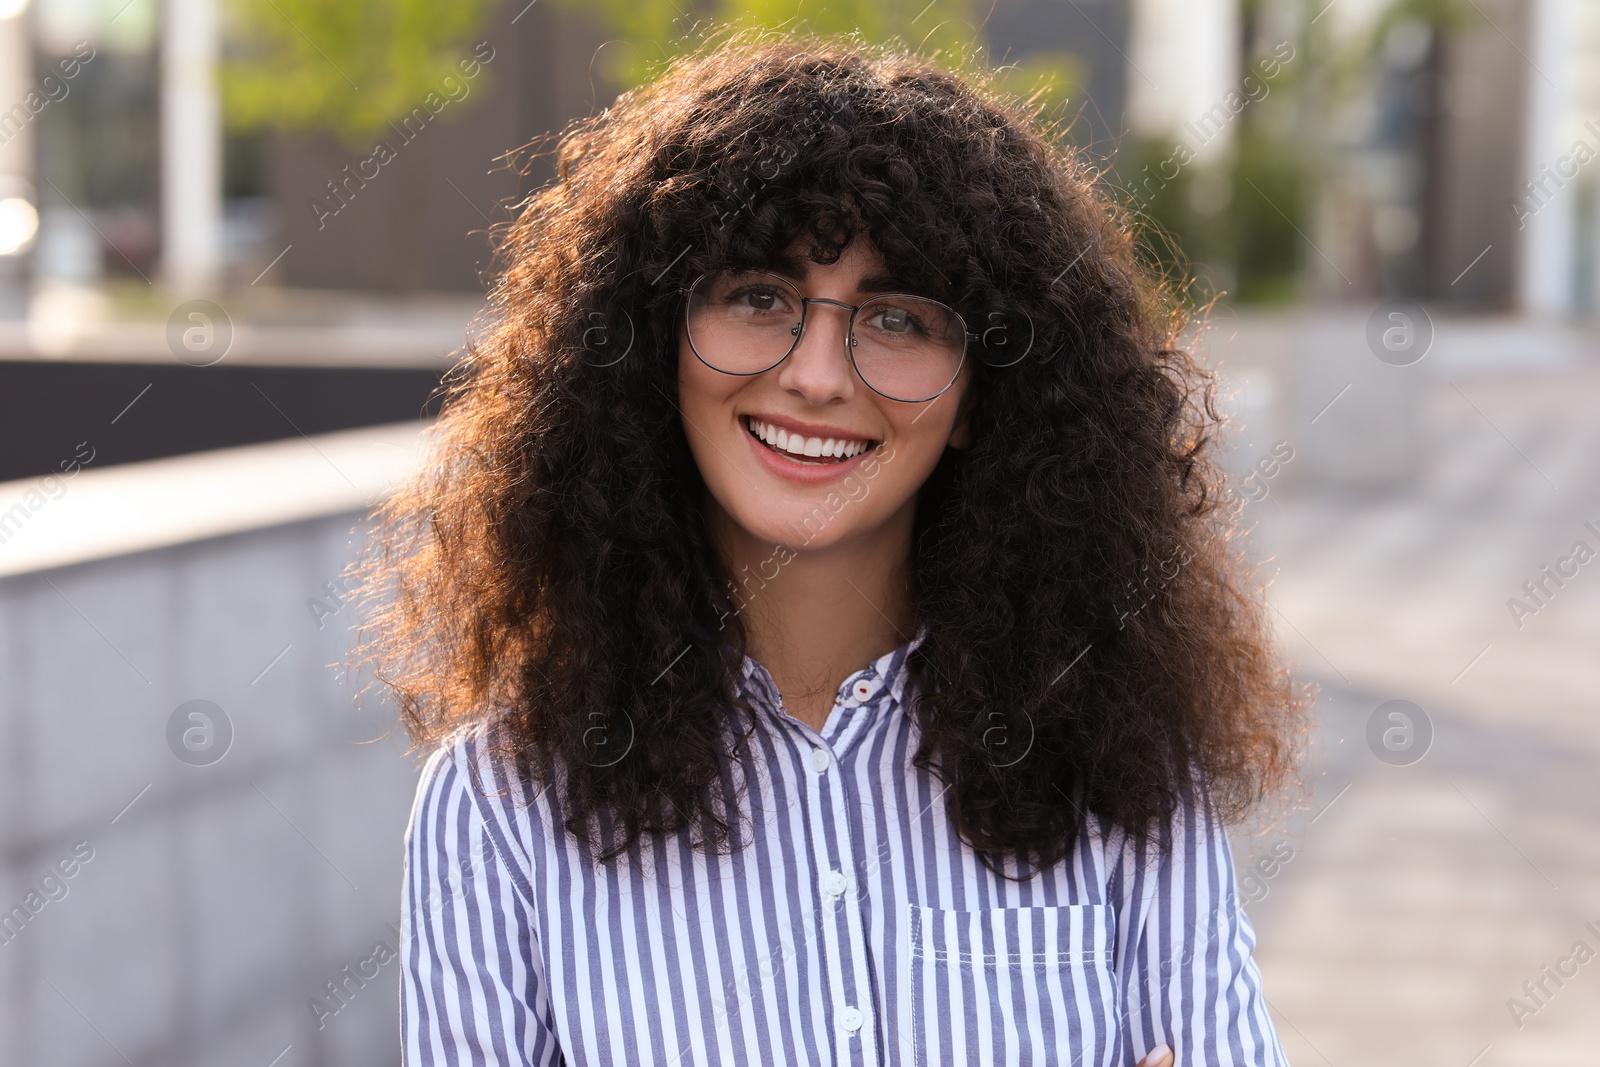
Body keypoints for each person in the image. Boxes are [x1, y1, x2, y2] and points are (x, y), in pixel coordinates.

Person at [355, 26, 1311, 1067]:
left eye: (896, 317)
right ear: (653, 345)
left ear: (985, 393)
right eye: (758, 298)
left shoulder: (1117, 771)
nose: (816, 373)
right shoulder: (500, 804)